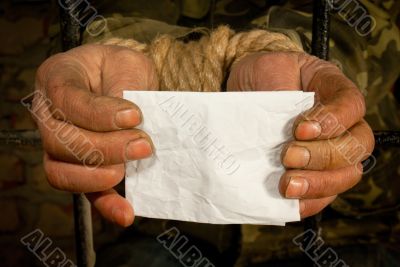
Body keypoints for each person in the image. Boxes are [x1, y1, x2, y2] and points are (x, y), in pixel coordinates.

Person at [32, 0, 400, 266]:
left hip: (340, 232)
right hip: (165, 229)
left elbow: (376, 23)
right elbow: (77, 21)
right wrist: (99, 66)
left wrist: (297, 57)